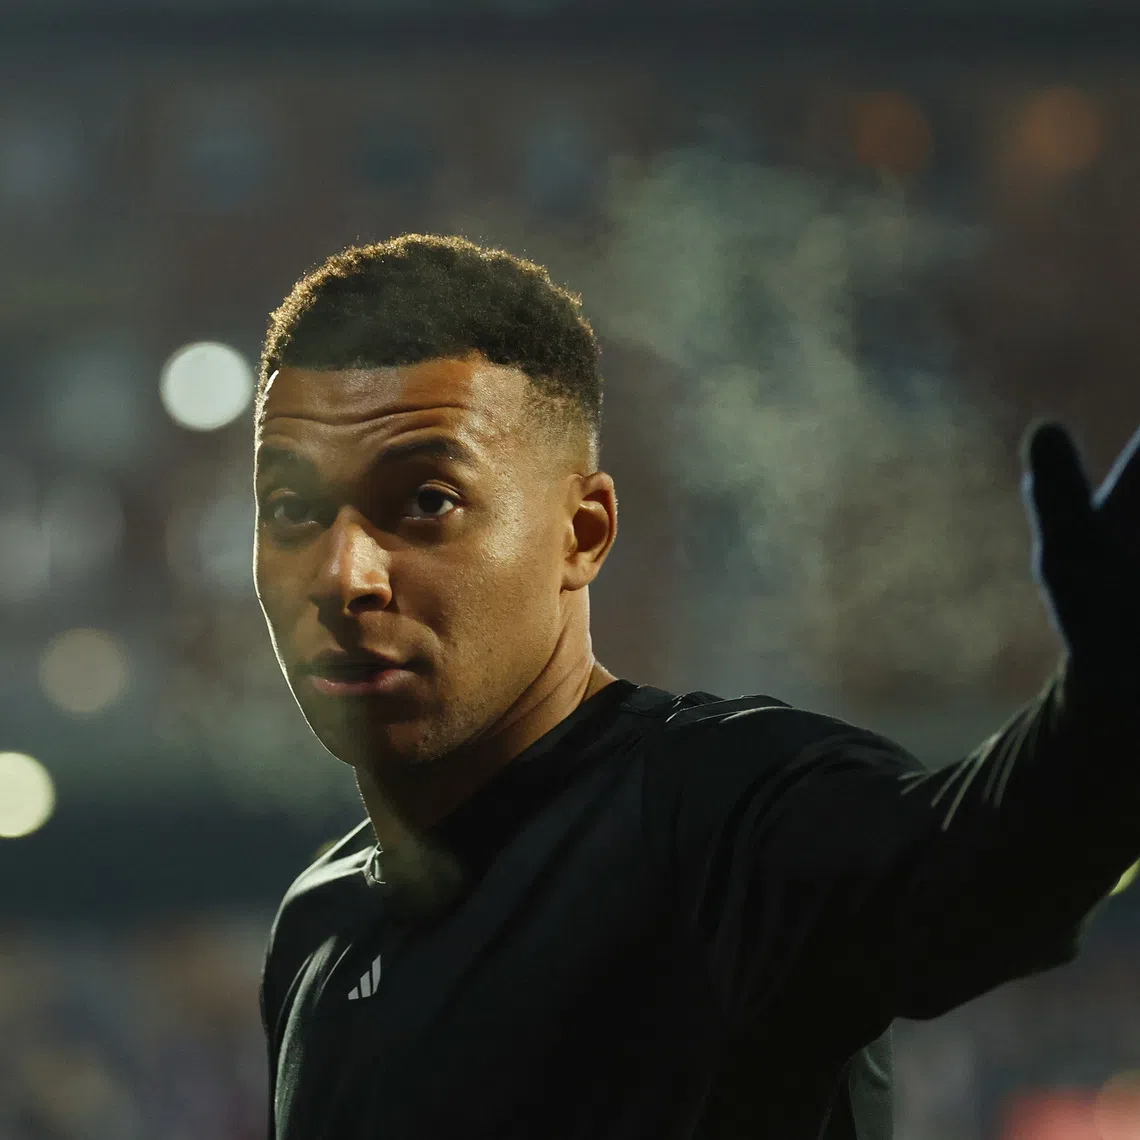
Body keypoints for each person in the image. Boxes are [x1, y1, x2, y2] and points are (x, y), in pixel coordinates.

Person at [253, 234, 1140, 1139]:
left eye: (427, 499)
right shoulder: (315, 928)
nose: (343, 573)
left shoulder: (715, 816)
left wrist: (1112, 710)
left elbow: (991, 866)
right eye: (290, 510)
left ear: (583, 532)